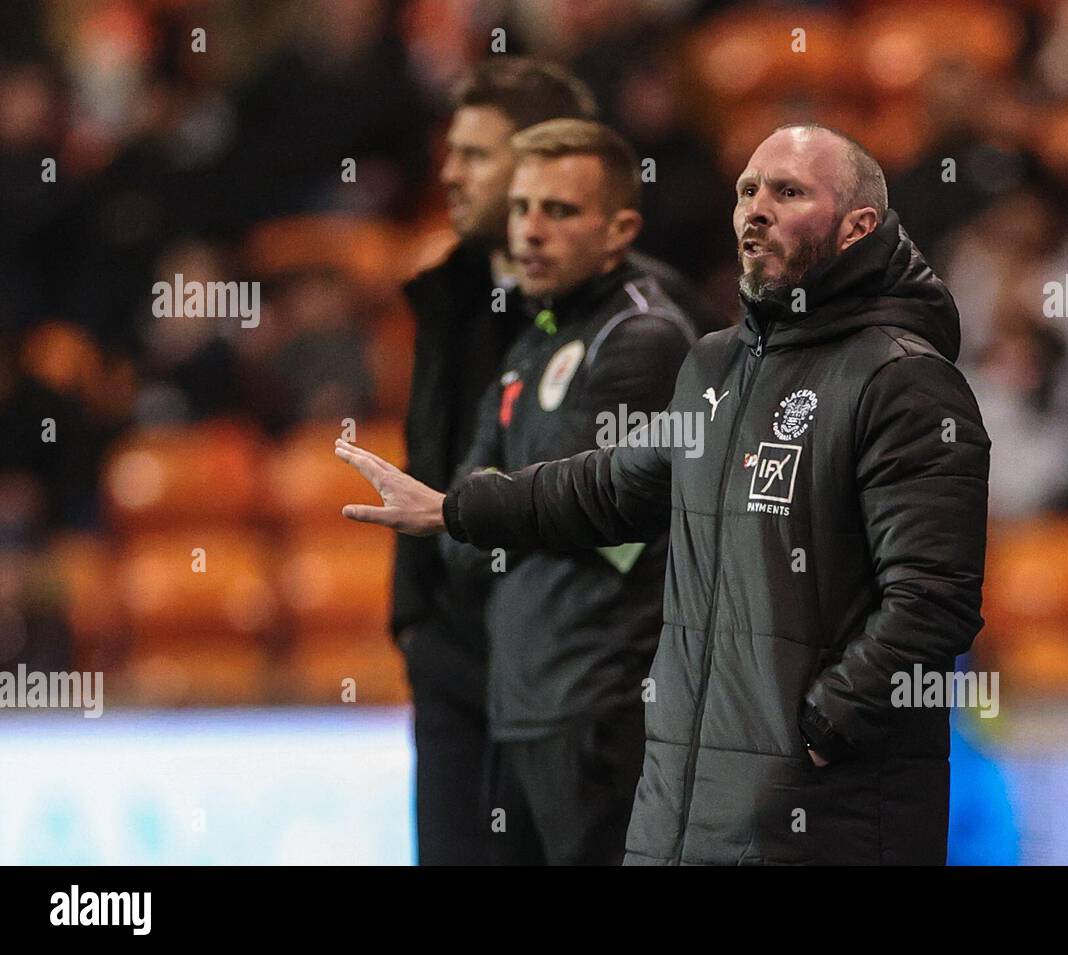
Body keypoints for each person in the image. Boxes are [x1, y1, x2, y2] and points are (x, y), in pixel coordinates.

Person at [343, 124, 991, 865]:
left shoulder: (905, 380)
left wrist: (820, 729)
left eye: (788, 192)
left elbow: (933, 602)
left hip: (823, 819)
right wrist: (454, 507)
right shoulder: (716, 367)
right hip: (679, 816)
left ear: (858, 227)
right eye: (748, 189)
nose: (756, 208)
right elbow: (609, 483)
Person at [440, 118, 696, 864]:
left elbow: (594, 515)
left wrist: (498, 511)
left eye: (559, 210)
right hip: (525, 704)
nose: (531, 231)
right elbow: (470, 525)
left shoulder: (643, 340)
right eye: (521, 208)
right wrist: (496, 512)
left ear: (619, 230)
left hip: (604, 708)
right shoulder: (533, 341)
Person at [391, 58, 597, 865]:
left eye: (475, 154)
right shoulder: (444, 295)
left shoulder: (627, 315)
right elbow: (424, 457)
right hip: (452, 668)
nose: (449, 173)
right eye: (451, 152)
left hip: (567, 680)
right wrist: (413, 620)